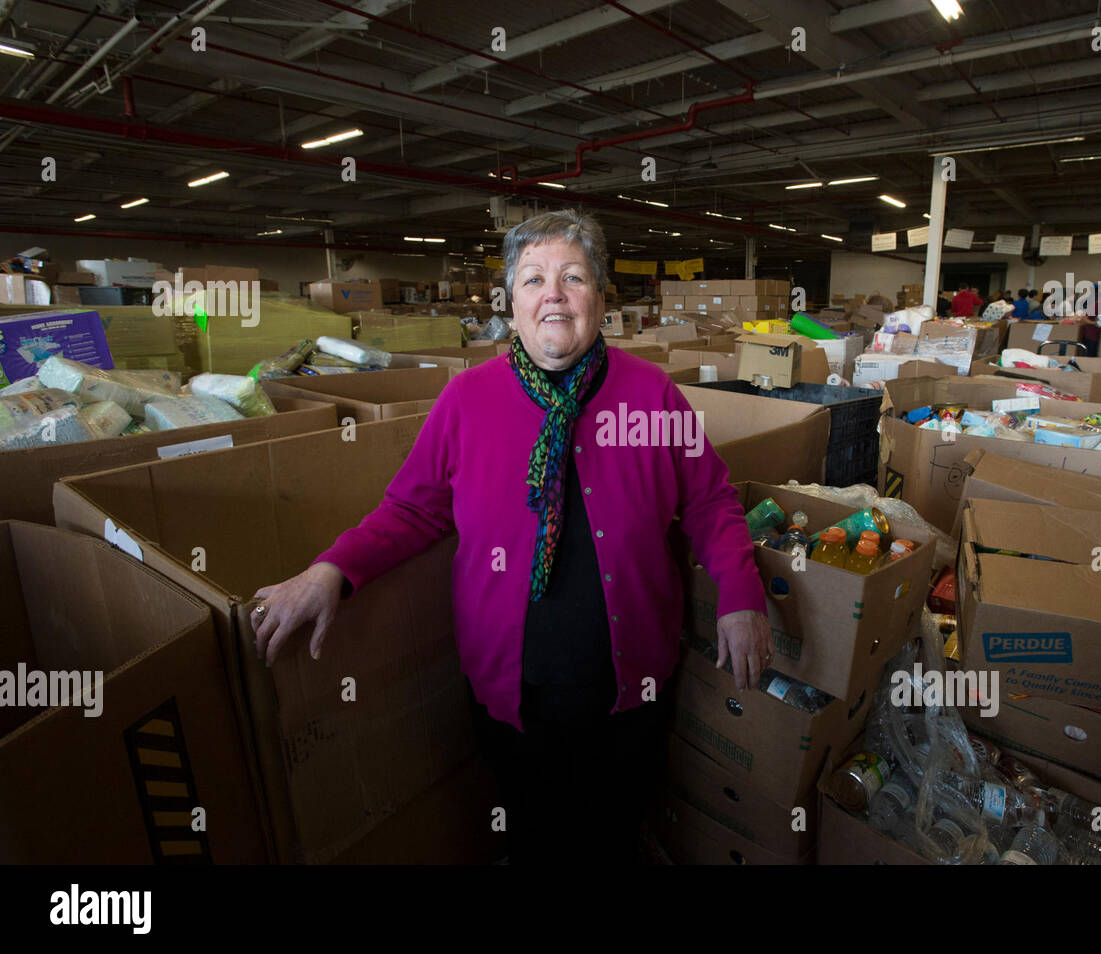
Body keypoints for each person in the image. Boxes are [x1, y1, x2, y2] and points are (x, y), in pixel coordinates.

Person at [248, 209, 774, 865]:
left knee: (614, 829)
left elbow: (709, 498)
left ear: (601, 299)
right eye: (533, 280)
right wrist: (331, 570)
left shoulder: (653, 398)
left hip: (631, 685)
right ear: (514, 302)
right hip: (512, 691)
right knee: (532, 833)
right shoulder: (467, 401)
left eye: (573, 277)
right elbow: (412, 510)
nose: (552, 293)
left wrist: (741, 593)